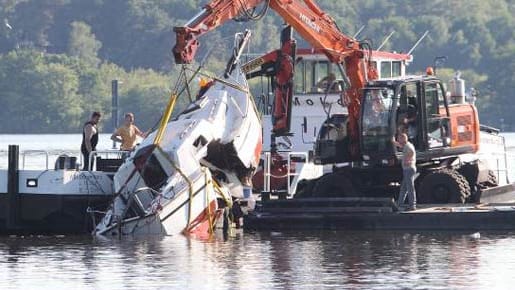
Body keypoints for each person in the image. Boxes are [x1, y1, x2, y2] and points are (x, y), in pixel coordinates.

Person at [393, 133, 417, 211]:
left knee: (410, 188)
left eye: (399, 139)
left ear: (403, 139)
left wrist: (407, 160)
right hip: (407, 169)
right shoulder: (406, 145)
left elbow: (411, 152)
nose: (398, 140)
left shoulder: (408, 146)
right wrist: (394, 142)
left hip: (409, 169)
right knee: (404, 188)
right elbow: (401, 146)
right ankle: (399, 204)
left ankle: (412, 205)